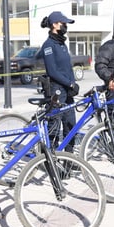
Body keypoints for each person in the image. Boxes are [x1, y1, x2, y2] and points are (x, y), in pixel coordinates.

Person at [39, 11, 79, 153]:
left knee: (71, 125)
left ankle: (69, 157)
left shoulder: (62, 44)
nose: (65, 26)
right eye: (63, 23)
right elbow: (53, 72)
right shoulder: (49, 45)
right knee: (54, 127)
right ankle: (52, 159)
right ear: (55, 24)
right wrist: (69, 84)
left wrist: (72, 84)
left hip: (67, 90)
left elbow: (66, 68)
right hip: (56, 90)